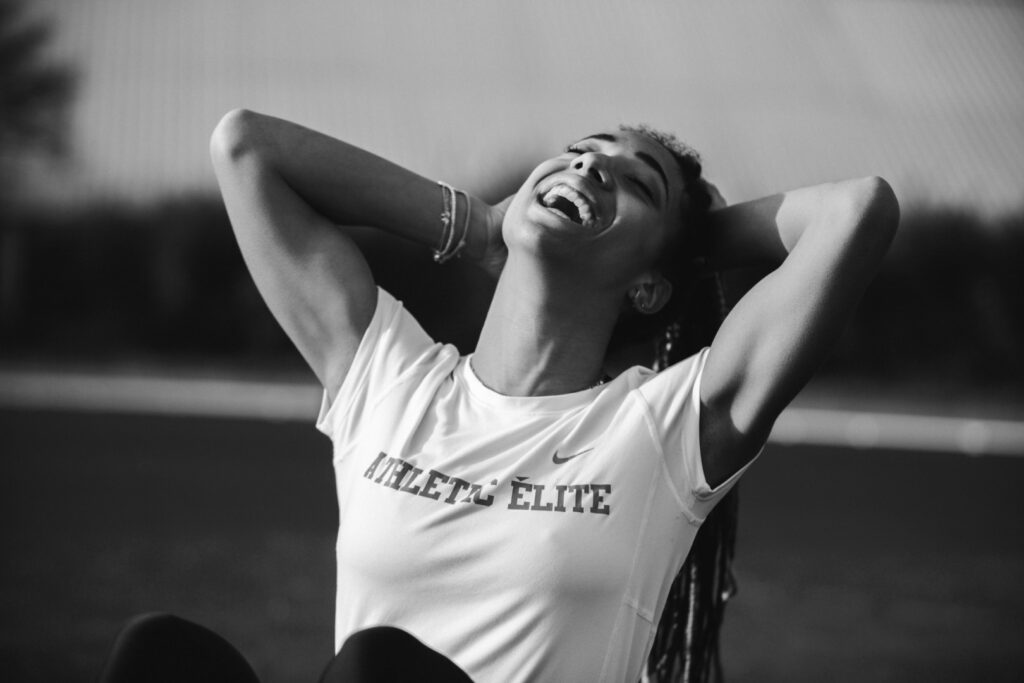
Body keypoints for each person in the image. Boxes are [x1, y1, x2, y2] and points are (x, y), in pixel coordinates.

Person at [101, 111, 898, 683]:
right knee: (162, 652)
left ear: (650, 287)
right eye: (579, 153)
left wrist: (682, 247)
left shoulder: (662, 428)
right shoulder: (391, 377)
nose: (591, 169)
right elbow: (245, 146)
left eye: (635, 182)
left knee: (378, 666)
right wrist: (481, 224)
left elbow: (856, 211)